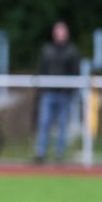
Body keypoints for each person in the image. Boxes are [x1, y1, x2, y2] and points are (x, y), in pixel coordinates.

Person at [33, 21, 81, 163]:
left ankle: (59, 154)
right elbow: (41, 70)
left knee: (62, 125)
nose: (60, 35)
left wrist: (70, 91)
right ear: (54, 34)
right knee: (44, 123)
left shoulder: (72, 51)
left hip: (64, 94)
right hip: (48, 93)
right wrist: (41, 89)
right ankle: (40, 153)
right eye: (58, 32)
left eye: (63, 32)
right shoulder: (47, 50)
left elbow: (75, 73)